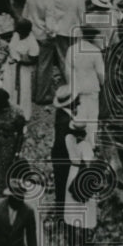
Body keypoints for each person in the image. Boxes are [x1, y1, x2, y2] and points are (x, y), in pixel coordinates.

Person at [66, 25, 104, 145]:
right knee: (92, 117)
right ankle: (91, 145)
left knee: (79, 114)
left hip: (77, 87)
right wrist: (102, 83)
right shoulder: (95, 51)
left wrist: (71, 86)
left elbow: (68, 71)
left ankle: (78, 143)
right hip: (92, 87)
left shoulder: (71, 49)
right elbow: (100, 73)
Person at [24, 0, 58, 104]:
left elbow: (25, 14)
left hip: (32, 33)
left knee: (33, 64)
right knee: (44, 66)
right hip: (44, 35)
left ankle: (32, 93)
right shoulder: (49, 0)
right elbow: (50, 22)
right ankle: (41, 95)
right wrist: (53, 34)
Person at [63, 120, 98, 239]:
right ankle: (85, 233)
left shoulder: (68, 139)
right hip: (83, 172)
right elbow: (89, 164)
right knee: (86, 204)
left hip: (72, 170)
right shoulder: (85, 146)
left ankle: (70, 232)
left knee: (70, 202)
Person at [50, 0, 86, 79]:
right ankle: (76, 78)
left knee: (62, 56)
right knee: (75, 56)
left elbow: (50, 12)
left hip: (60, 29)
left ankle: (67, 79)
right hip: (75, 30)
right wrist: (83, 27)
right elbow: (82, 13)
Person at [4, 18, 40, 120]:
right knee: (9, 89)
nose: (17, 31)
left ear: (26, 31)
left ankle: (22, 116)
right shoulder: (16, 35)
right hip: (10, 67)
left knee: (23, 93)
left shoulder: (32, 43)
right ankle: (10, 113)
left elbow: (33, 60)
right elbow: (12, 48)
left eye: (19, 30)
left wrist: (19, 61)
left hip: (23, 71)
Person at [51, 85, 76, 217]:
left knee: (61, 182)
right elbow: (62, 142)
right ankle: (62, 213)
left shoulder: (63, 114)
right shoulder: (65, 121)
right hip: (63, 155)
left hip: (59, 153)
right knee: (63, 182)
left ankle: (61, 210)